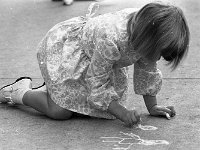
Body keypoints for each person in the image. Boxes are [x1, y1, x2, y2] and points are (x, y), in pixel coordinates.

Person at [0, 2, 189, 127]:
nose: (158, 59)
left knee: (94, 107)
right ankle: (19, 92)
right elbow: (97, 81)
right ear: (148, 39)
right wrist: (121, 113)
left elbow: (147, 71)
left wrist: (152, 107)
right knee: (60, 112)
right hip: (71, 53)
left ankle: (53, 91)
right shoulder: (112, 38)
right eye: (160, 54)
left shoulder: (147, 31)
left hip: (98, 62)